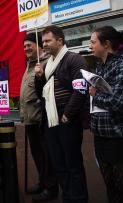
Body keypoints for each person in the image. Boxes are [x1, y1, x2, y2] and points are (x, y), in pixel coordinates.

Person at [35, 25, 89, 202]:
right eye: (43, 41)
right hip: (51, 123)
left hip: (68, 121)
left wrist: (67, 115)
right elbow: (41, 94)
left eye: (48, 40)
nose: (44, 44)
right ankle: (68, 197)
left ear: (60, 40)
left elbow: (80, 90)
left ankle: (79, 198)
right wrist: (39, 77)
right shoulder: (46, 65)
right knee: (59, 164)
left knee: (73, 164)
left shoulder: (75, 59)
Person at [89, 26, 123, 202]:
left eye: (93, 42)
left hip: (120, 137)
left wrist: (95, 96)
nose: (90, 46)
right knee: (111, 187)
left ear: (106, 44)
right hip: (101, 136)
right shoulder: (100, 66)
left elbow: (119, 101)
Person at [20, 32, 58, 200]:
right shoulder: (28, 65)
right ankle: (43, 182)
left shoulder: (46, 63)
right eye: (24, 46)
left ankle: (51, 188)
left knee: (47, 155)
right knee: (37, 155)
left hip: (41, 118)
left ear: (39, 46)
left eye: (29, 44)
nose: (26, 48)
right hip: (29, 119)